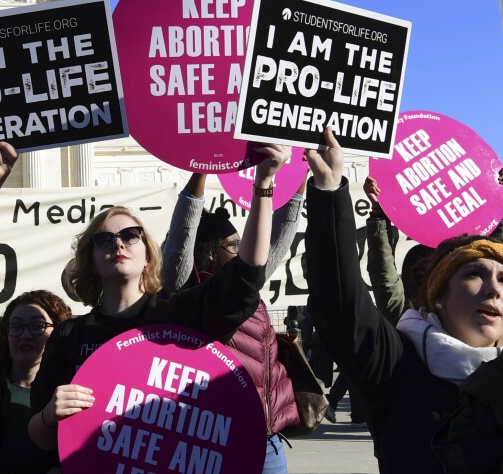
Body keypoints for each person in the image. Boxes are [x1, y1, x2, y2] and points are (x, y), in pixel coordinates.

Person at [28, 144, 289, 467]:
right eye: (104, 239)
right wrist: (49, 415)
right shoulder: (70, 335)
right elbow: (39, 439)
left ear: (148, 253)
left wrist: (263, 185)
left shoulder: (176, 315)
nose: (118, 243)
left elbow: (246, 275)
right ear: (91, 261)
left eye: (130, 235)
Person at [303, 127, 503, 474]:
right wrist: (329, 189)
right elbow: (340, 300)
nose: (493, 289)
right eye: (474, 274)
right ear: (438, 295)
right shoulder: (395, 365)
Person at [159, 170, 308, 472]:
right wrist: (200, 169)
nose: (243, 250)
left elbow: (280, 237)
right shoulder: (187, 295)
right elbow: (180, 241)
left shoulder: (246, 286)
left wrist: (299, 176)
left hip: (266, 441)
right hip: (211, 443)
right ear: (209, 254)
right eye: (232, 245)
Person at [0, 290, 72, 474]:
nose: (25, 335)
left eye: (37, 325)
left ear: (58, 331)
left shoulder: (69, 395)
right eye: (16, 326)